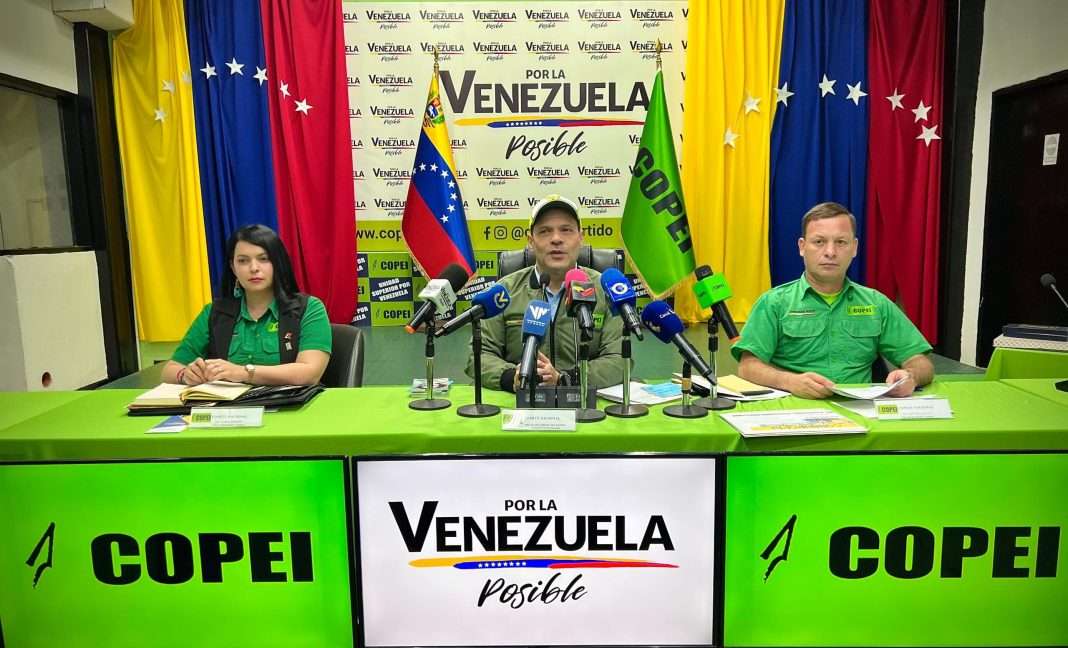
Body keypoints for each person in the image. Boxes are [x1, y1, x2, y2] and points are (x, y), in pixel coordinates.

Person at [732, 202, 934, 398]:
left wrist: (910, 376)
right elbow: (748, 367)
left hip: (860, 412)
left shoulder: (876, 304)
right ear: (802, 247)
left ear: (854, 248)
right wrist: (790, 381)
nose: (830, 252)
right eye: (819, 242)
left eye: (841, 242)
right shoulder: (773, 303)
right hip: (796, 409)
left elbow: (920, 362)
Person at [467, 195, 625, 392]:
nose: (556, 239)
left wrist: (565, 379)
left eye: (566, 230)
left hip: (583, 401)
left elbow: (619, 359)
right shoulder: (503, 292)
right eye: (545, 231)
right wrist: (512, 377)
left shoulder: (606, 291)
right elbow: (479, 355)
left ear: (581, 238)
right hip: (519, 400)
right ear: (531, 241)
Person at [162, 224, 332, 386]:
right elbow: (170, 370)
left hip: (290, 404)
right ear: (233, 268)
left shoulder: (308, 308)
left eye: (263, 259)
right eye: (243, 261)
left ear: (277, 263)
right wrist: (185, 375)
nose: (254, 268)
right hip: (227, 406)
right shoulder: (214, 312)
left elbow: (310, 373)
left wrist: (243, 373)